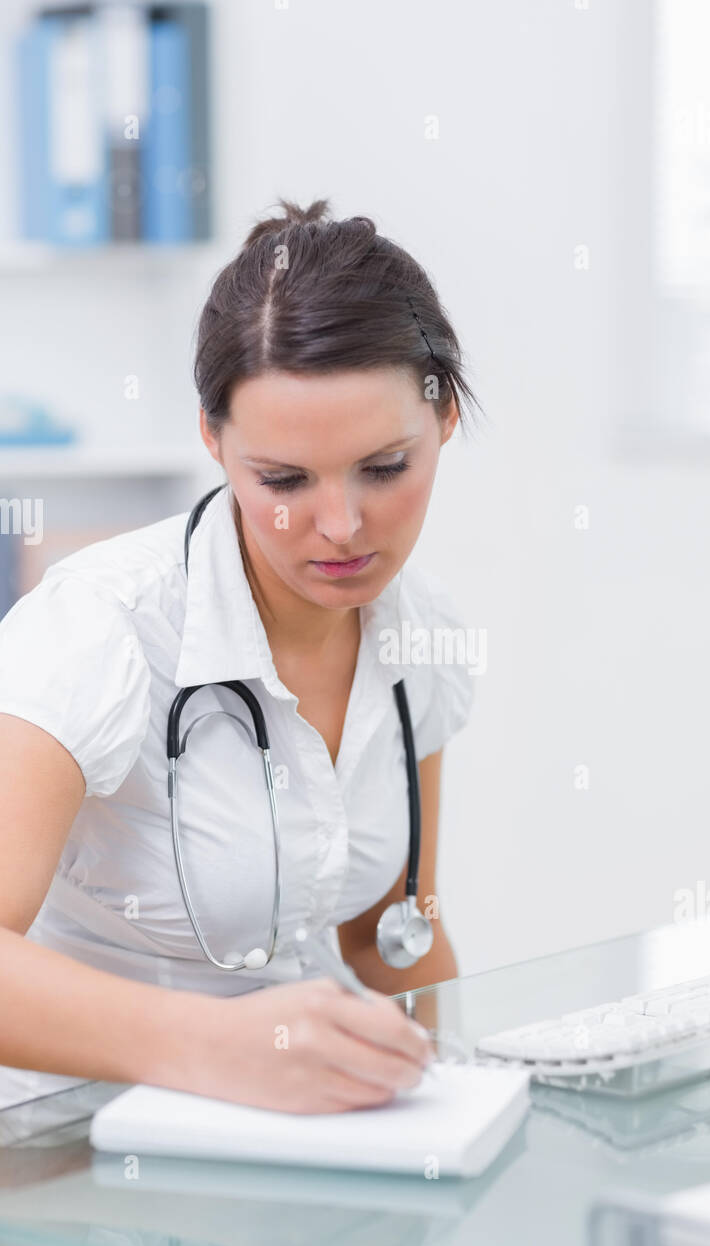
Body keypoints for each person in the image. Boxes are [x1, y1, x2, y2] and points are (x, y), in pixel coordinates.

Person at [0, 197, 483, 1114]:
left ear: (444, 416)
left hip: (285, 1153)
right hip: (60, 1154)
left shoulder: (424, 638)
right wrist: (224, 1045)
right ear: (213, 440)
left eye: (384, 468)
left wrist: (460, 1110)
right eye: (283, 480)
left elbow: (387, 939)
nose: (340, 526)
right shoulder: (100, 625)